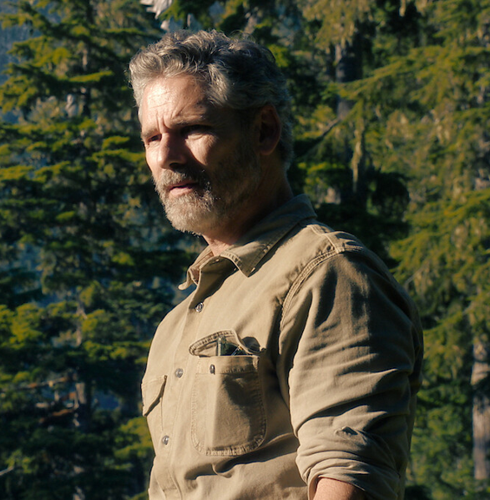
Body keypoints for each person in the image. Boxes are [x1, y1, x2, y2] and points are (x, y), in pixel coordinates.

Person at [130, 30, 423, 500]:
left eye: (192, 129)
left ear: (264, 130)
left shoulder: (329, 276)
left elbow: (349, 478)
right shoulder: (178, 322)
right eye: (152, 137)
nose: (167, 156)